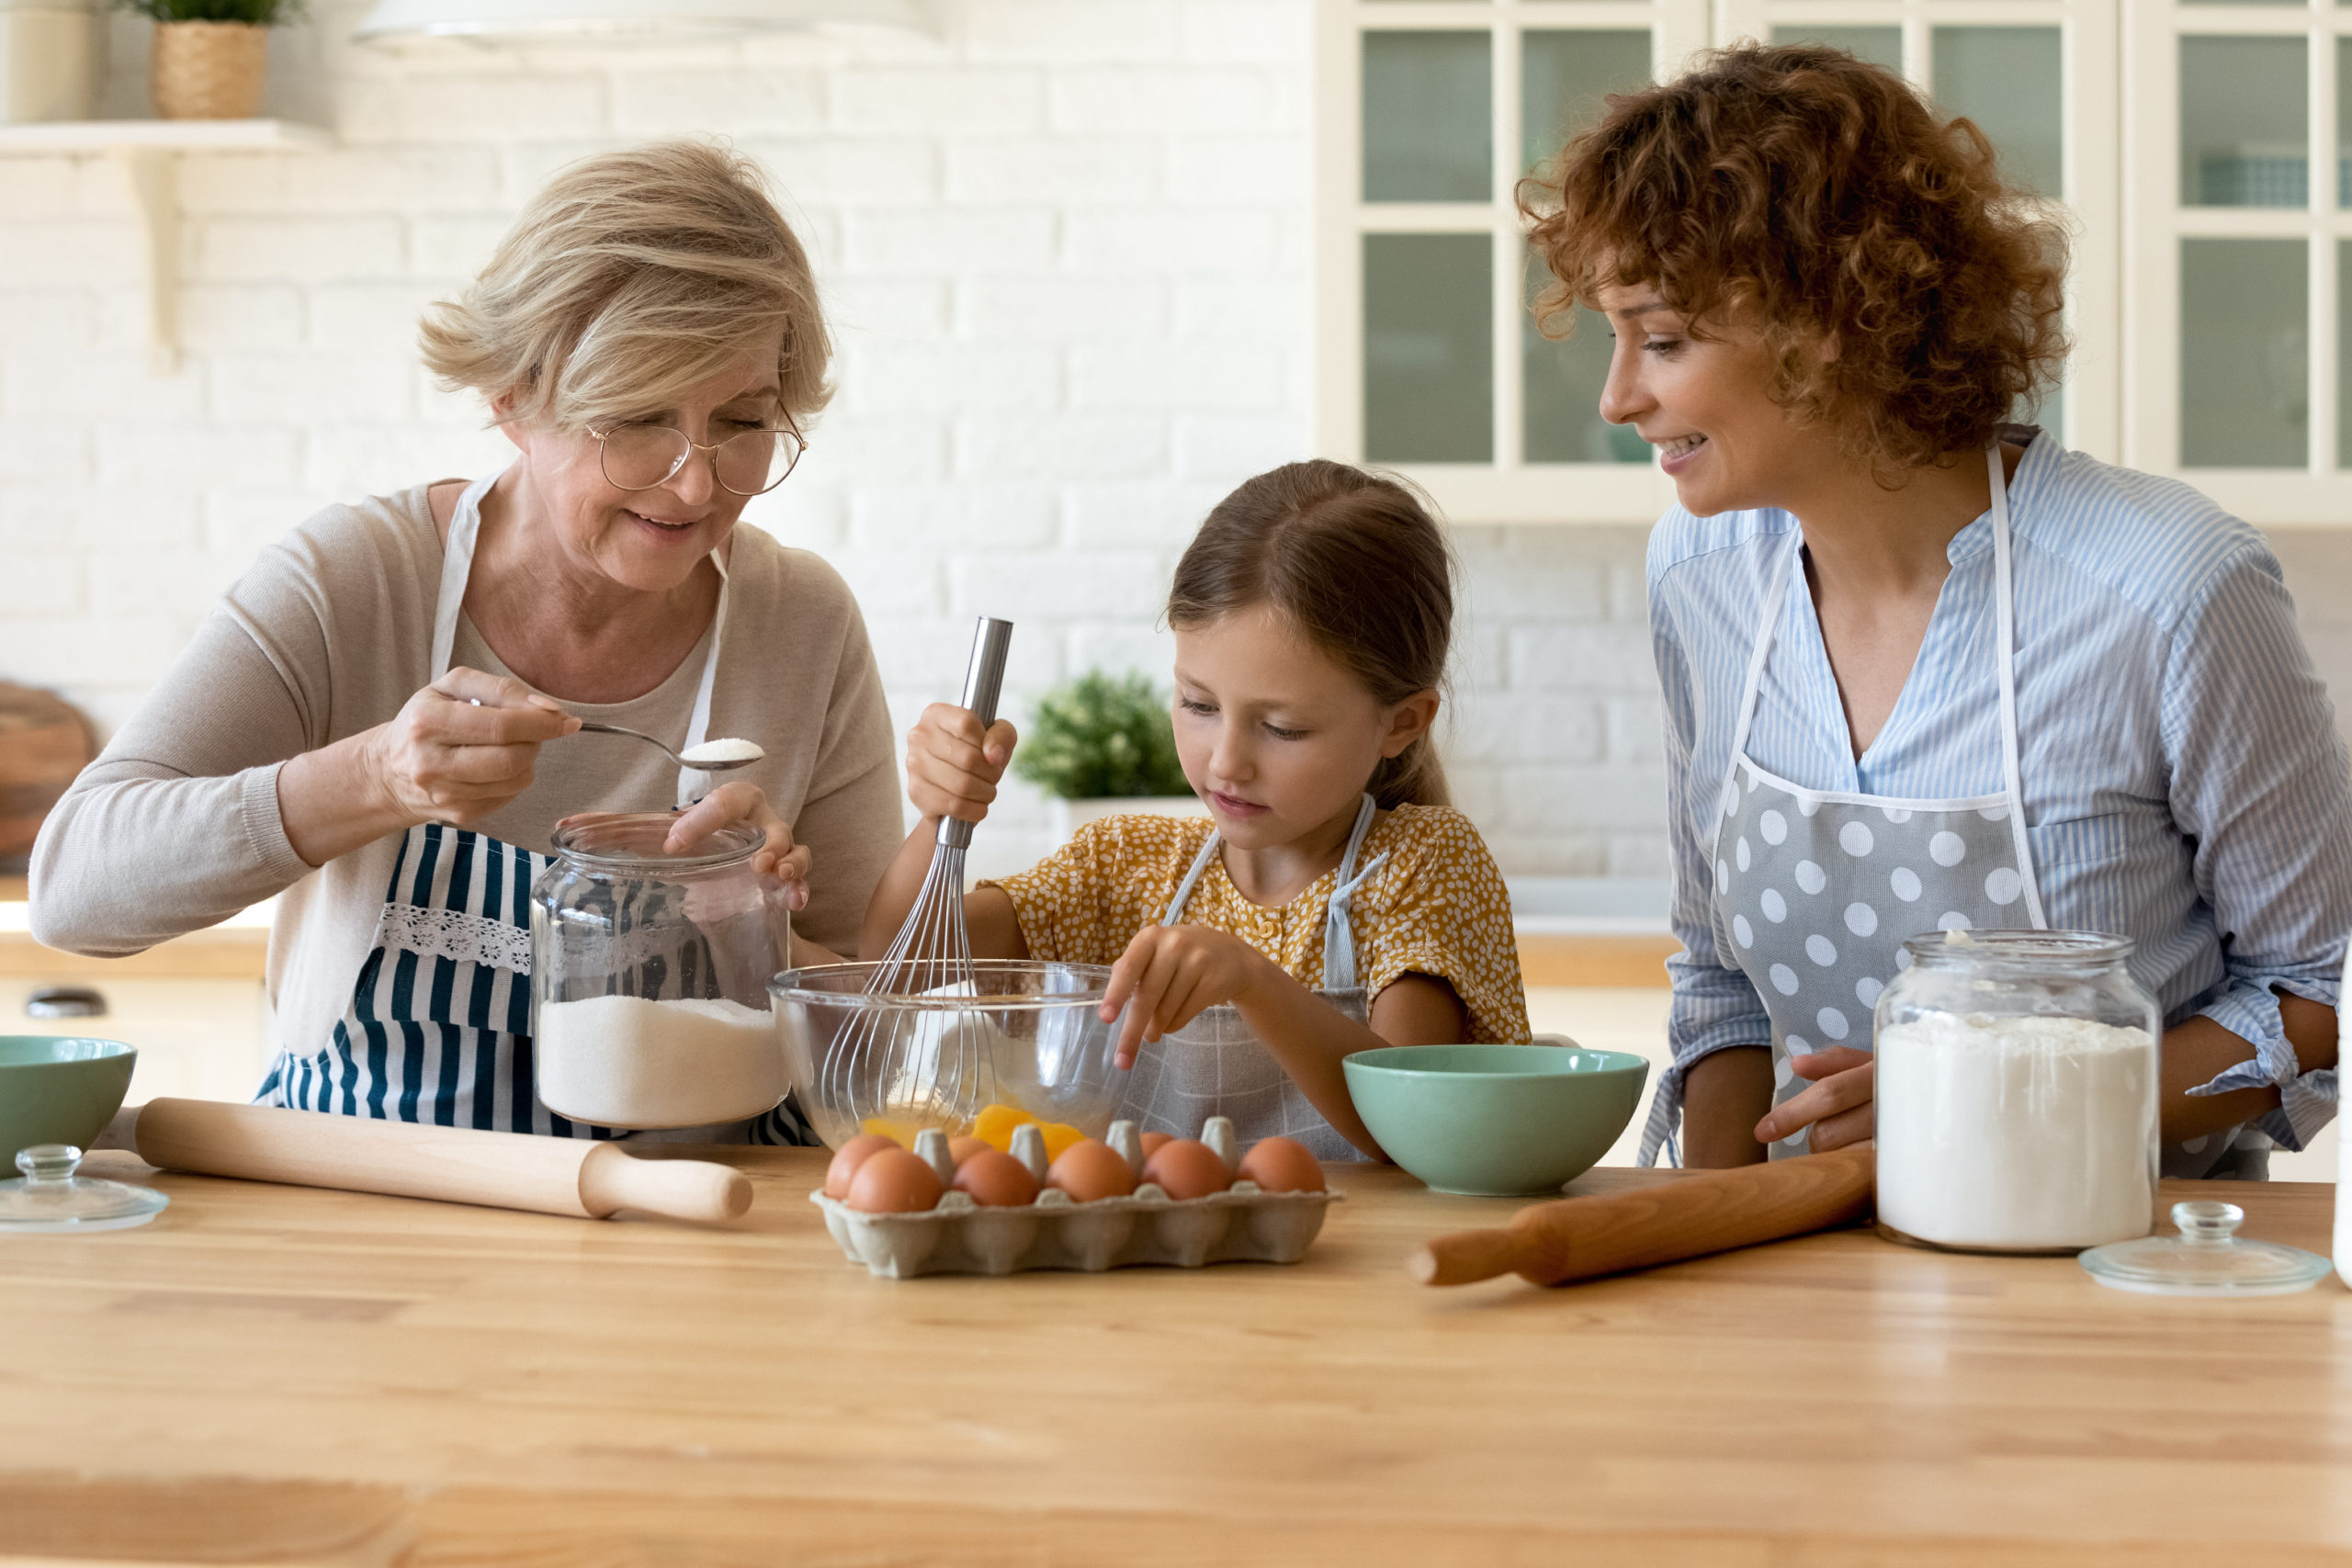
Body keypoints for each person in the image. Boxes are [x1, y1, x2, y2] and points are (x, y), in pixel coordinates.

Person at [1524, 43, 2352, 1177]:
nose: (1619, 397)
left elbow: (2317, 994)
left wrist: (2003, 1103)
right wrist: (1709, 1235)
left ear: (1829, 322)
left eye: (1662, 340)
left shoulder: (2165, 590)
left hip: (2100, 1283)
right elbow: (1722, 984)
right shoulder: (1701, 572)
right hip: (1794, 1287)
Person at [30, 141, 899, 1140]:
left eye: (742, 421)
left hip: (704, 1228)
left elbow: (880, 1035)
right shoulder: (354, 581)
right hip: (377, 1233)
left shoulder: (803, 623)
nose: (697, 483)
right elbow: (74, 893)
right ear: (511, 398)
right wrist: (375, 780)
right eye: (637, 418)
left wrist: (749, 921)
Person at [865, 460, 1531, 1159]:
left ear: (1402, 723)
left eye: (1283, 728)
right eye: (1200, 705)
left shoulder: (1422, 863)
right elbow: (893, 959)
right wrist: (943, 814)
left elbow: (1412, 1119)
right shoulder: (1126, 867)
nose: (1225, 761)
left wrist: (1251, 980)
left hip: (1358, 1263)